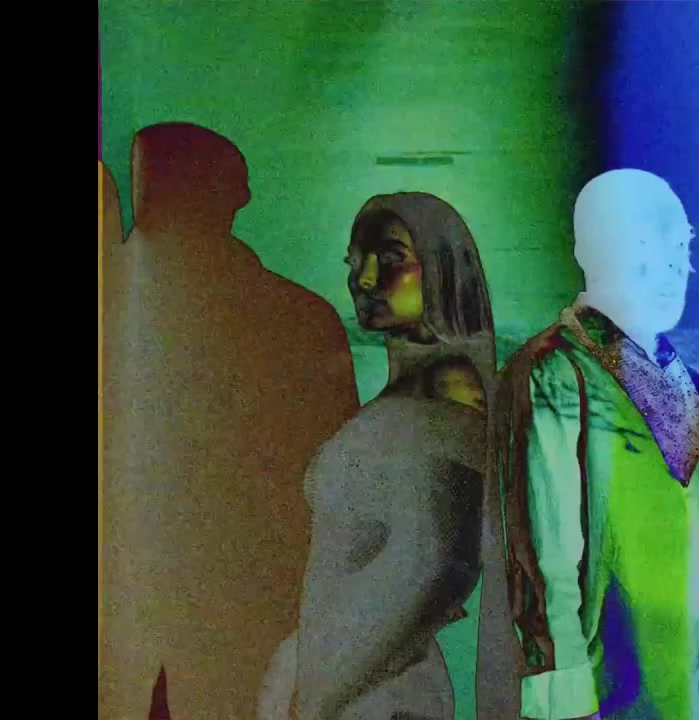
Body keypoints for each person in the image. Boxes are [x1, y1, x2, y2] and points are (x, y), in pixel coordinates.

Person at [99, 123, 359, 720]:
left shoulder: (112, 311)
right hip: (248, 645)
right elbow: (333, 498)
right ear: (236, 197)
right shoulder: (300, 320)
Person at [494, 169, 699, 719]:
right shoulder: (556, 372)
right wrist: (564, 701)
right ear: (591, 251)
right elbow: (545, 560)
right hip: (612, 697)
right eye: (645, 244)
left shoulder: (688, 383)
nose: (672, 267)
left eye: (680, 245)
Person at [280, 194, 497, 720]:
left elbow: (436, 562)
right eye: (355, 261)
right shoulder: (410, 389)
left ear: (442, 268)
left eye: (392, 258)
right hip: (355, 687)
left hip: (379, 693)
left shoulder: (449, 387)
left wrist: (318, 699)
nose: (365, 279)